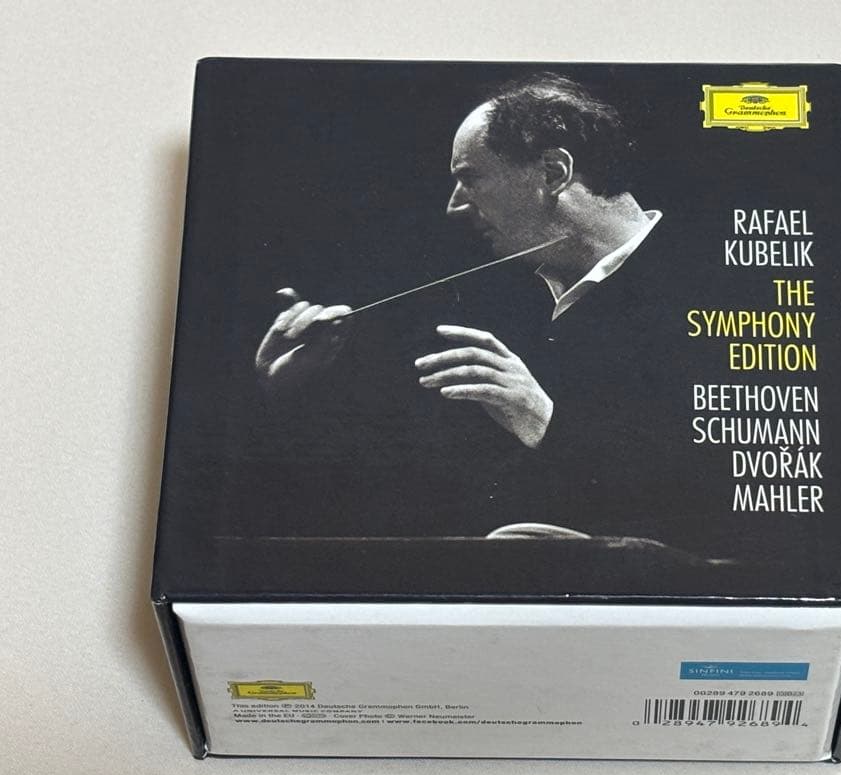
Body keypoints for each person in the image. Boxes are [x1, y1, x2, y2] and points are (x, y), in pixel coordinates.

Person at [254, 74, 703, 542]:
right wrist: (285, 394)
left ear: (553, 173)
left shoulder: (708, 291)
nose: (454, 207)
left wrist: (543, 419)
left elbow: (714, 498)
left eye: (470, 178)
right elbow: (398, 494)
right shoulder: (491, 300)